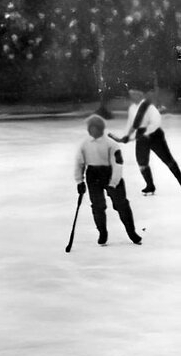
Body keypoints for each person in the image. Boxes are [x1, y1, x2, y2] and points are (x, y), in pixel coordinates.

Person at [76, 114, 142, 246]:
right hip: (93, 176)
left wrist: (113, 183)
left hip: (110, 174)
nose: (92, 131)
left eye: (94, 128)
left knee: (121, 205)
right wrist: (80, 181)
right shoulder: (84, 144)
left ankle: (132, 232)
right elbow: (80, 163)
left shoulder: (112, 144)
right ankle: (102, 233)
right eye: (90, 128)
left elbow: (117, 165)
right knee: (97, 206)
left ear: (100, 129)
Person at [118, 87, 181, 195]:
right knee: (142, 162)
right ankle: (150, 186)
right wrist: (126, 135)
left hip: (154, 135)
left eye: (135, 93)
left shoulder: (149, 107)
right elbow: (131, 123)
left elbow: (156, 121)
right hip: (141, 136)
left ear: (140, 94)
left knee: (167, 159)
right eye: (131, 94)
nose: (133, 96)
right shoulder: (132, 108)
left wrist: (146, 133)